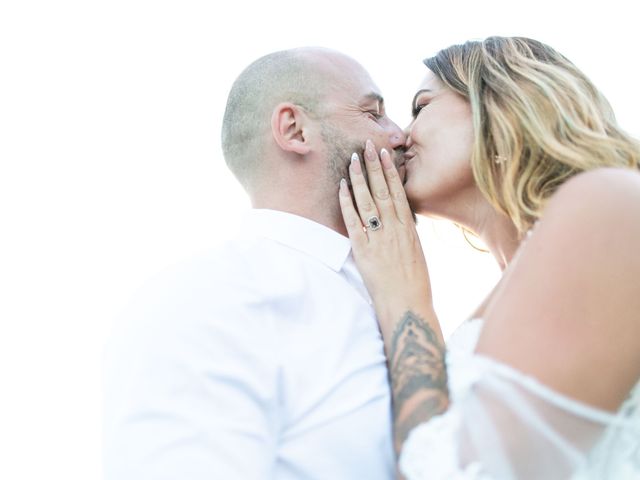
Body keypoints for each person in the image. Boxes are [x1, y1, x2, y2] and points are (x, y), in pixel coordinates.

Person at [339, 37, 640, 479]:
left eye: (421, 107)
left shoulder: (610, 203)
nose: (401, 137)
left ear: (501, 102)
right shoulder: (506, 291)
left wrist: (403, 300)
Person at [103, 47, 408, 479]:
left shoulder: (383, 289)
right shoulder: (212, 299)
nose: (400, 135)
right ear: (295, 130)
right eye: (373, 113)